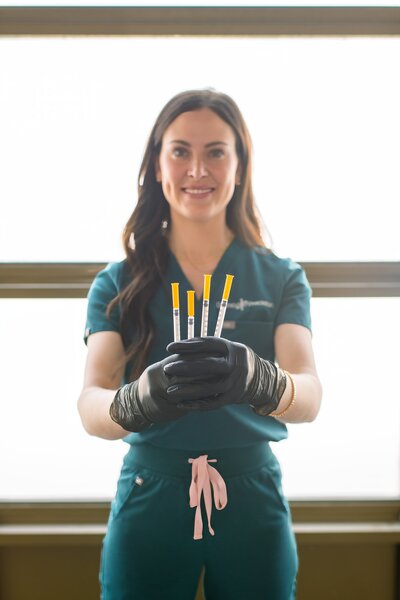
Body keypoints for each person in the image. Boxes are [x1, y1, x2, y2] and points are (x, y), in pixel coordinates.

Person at [78, 88, 322, 600]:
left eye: (216, 151)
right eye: (180, 150)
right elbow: (91, 403)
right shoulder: (119, 282)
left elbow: (309, 395)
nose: (197, 169)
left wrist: (260, 380)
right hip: (151, 492)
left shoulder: (280, 278)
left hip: (252, 495)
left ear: (240, 165)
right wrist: (136, 399)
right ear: (156, 164)